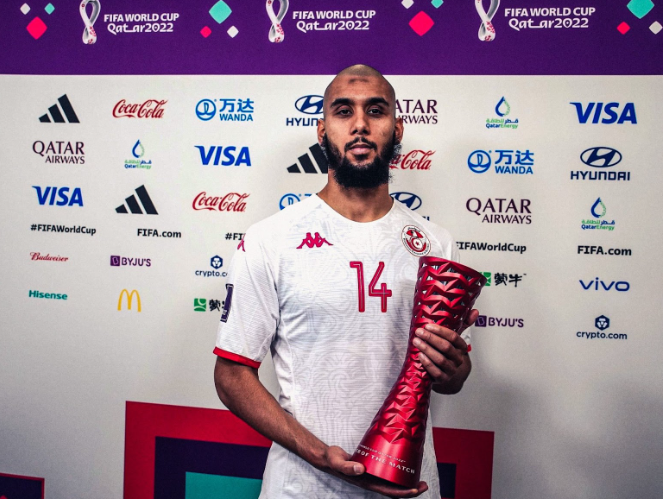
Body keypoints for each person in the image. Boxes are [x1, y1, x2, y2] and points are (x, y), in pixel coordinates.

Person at [213, 64, 478, 498]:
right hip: (303, 486)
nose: (359, 125)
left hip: (412, 481)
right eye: (343, 111)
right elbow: (231, 375)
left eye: (375, 110)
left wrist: (456, 368)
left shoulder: (436, 244)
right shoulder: (270, 239)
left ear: (398, 128)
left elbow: (449, 379)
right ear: (322, 131)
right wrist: (320, 455)